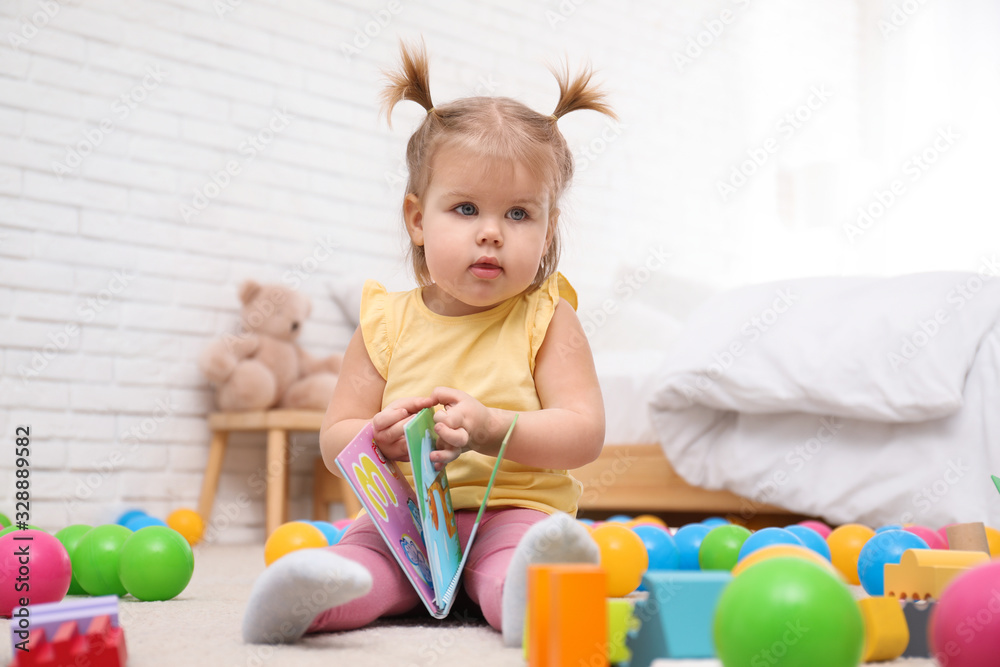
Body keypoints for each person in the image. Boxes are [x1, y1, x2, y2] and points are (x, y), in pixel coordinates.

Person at [242, 40, 613, 647]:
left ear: (548, 231)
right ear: (418, 219)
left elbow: (584, 433)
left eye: (520, 214)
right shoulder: (384, 324)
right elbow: (337, 437)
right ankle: (310, 597)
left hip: (513, 511)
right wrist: (376, 440)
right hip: (404, 521)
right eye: (465, 209)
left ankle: (529, 594)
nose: (491, 233)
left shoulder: (548, 319)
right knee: (368, 562)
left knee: (510, 561)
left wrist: (495, 427)